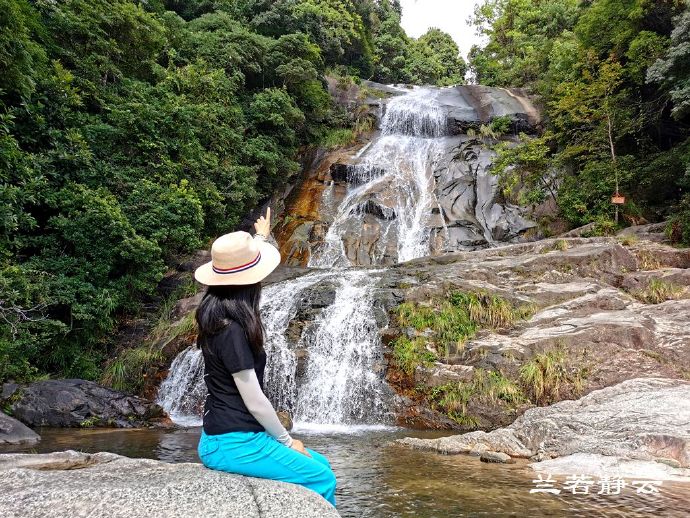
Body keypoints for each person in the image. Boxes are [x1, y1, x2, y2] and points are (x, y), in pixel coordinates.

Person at [194, 208, 337, 507]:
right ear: (249, 282)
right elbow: (255, 400)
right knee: (323, 478)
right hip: (233, 443)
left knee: (320, 462)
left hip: (234, 436)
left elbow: (243, 263)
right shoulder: (231, 330)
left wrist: (261, 236)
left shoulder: (217, 311)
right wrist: (287, 440)